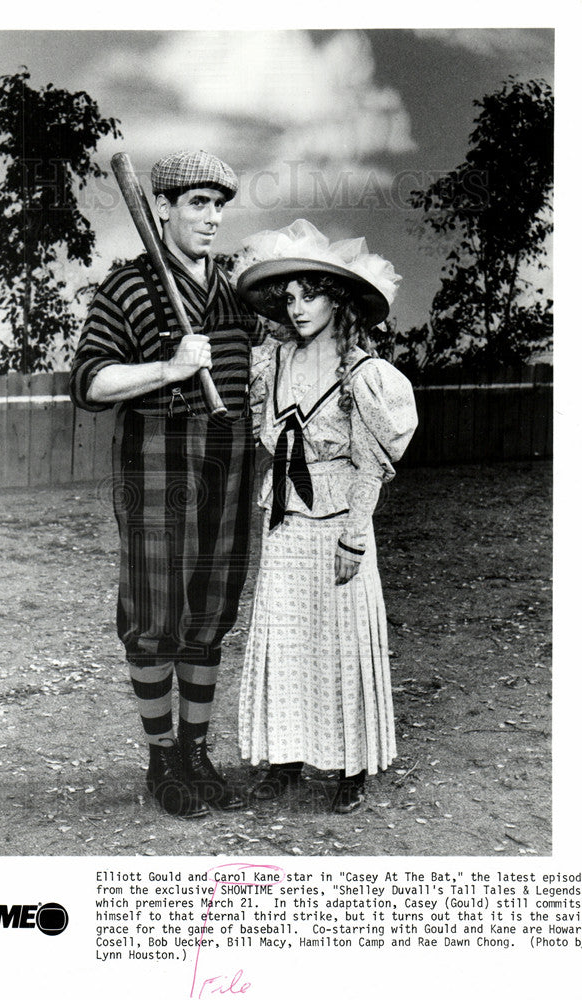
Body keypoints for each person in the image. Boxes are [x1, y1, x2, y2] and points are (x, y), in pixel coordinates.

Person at [69, 150, 260, 819]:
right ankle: (159, 761)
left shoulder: (239, 292)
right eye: (197, 204)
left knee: (209, 612)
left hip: (229, 466)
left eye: (218, 205)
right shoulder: (129, 287)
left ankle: (195, 754)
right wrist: (170, 367)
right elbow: (90, 383)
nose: (210, 218)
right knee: (154, 620)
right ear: (165, 209)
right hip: (155, 465)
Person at [235, 219, 418, 814]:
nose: (297, 307)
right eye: (289, 297)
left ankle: (349, 768)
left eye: (309, 294)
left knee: (340, 642)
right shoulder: (273, 363)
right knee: (285, 637)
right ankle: (284, 761)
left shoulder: (366, 376)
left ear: (338, 300)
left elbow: (371, 464)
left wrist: (355, 537)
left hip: (340, 522)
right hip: (285, 519)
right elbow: (264, 435)